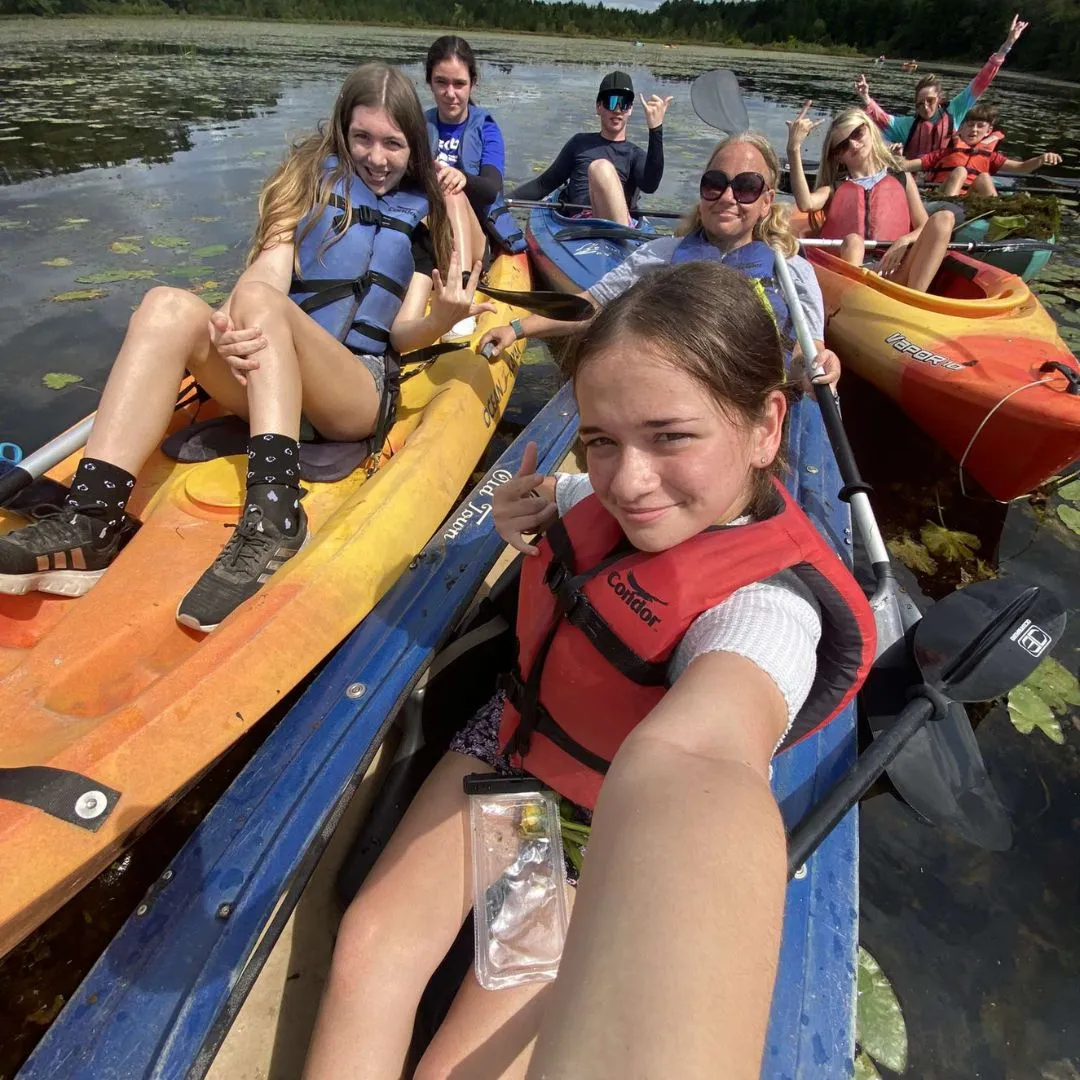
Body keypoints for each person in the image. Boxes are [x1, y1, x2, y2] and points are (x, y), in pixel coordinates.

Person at [303, 261, 875, 1080]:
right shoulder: (597, 498)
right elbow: (565, 493)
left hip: (587, 831)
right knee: (368, 950)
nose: (629, 482)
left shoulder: (765, 614)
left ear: (763, 425)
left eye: (671, 435)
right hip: (507, 749)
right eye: (603, 439)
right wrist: (518, 509)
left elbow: (701, 756)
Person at [0, 62, 490, 632]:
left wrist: (442, 319)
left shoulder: (420, 215)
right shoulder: (311, 185)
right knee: (166, 304)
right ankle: (92, 520)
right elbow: (265, 277)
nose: (376, 157)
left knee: (262, 305)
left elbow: (402, 334)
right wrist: (233, 329)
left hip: (353, 393)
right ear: (342, 132)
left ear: (415, 146)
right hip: (269, 375)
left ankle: (275, 512)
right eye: (362, 137)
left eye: (393, 143)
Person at [481, 132, 842, 388]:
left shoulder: (792, 271)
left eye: (746, 186)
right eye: (715, 183)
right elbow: (590, 307)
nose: (728, 197)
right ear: (702, 192)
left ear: (766, 201)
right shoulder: (662, 255)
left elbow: (805, 356)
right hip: (672, 395)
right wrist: (516, 329)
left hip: (751, 400)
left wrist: (818, 368)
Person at [787, 104, 955, 293]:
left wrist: (905, 240)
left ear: (869, 130)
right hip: (853, 276)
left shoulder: (901, 178)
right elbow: (805, 203)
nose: (853, 144)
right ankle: (852, 300)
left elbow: (924, 225)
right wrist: (794, 149)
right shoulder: (834, 189)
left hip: (895, 270)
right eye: (842, 145)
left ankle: (915, 300)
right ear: (837, 157)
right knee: (854, 241)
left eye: (857, 133)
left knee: (944, 218)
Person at [509, 71, 672, 227]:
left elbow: (650, 186)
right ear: (598, 107)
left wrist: (655, 128)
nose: (617, 110)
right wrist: (501, 201)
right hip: (578, 225)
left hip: (619, 229)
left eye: (623, 104)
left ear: (630, 109)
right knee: (599, 167)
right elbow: (543, 185)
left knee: (600, 167)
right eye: (611, 102)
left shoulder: (634, 154)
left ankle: (617, 233)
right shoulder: (579, 143)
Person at [855, 14, 1029, 158]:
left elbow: (981, 81)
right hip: (919, 179)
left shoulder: (956, 109)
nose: (925, 106)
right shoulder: (907, 125)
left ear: (939, 99)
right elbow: (881, 117)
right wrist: (865, 97)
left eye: (929, 100)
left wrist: (1006, 46)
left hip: (945, 174)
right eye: (920, 103)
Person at [424, 34, 526, 271]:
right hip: (427, 232)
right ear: (429, 82)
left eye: (459, 84)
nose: (450, 93)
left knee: (453, 193)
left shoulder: (487, 129)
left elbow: (492, 189)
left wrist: (462, 177)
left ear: (472, 83)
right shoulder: (417, 126)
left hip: (475, 238)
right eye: (441, 82)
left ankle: (462, 281)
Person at [901, 102, 1063, 198]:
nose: (974, 130)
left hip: (970, 198)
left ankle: (995, 215)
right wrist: (895, 155)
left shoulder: (991, 157)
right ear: (961, 129)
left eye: (980, 126)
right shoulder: (944, 153)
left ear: (989, 131)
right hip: (941, 197)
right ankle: (947, 211)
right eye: (970, 125)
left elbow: (1022, 168)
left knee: (985, 177)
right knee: (960, 172)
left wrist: (1041, 158)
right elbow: (906, 166)